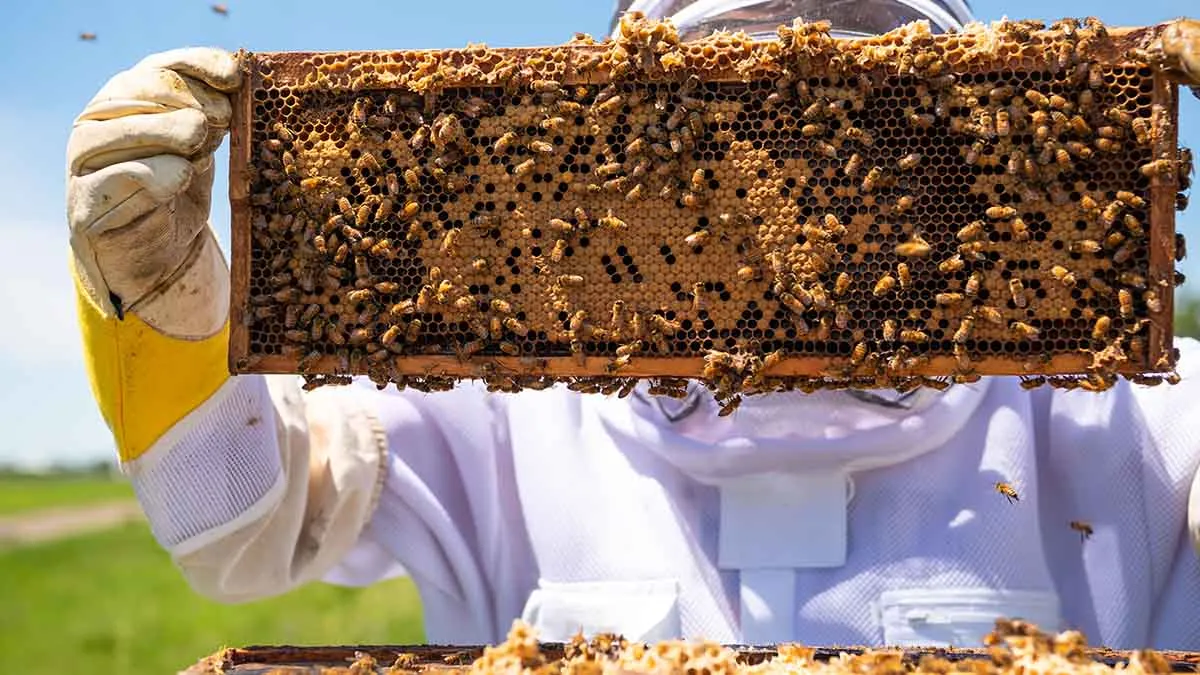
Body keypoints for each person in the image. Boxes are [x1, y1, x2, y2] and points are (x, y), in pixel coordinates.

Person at [66, 0, 1200, 652]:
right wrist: (160, 301)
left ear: (968, 130)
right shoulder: (492, 416)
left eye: (857, 74)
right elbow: (238, 530)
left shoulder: (1147, 425)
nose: (781, 171)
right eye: (715, 102)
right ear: (606, 152)